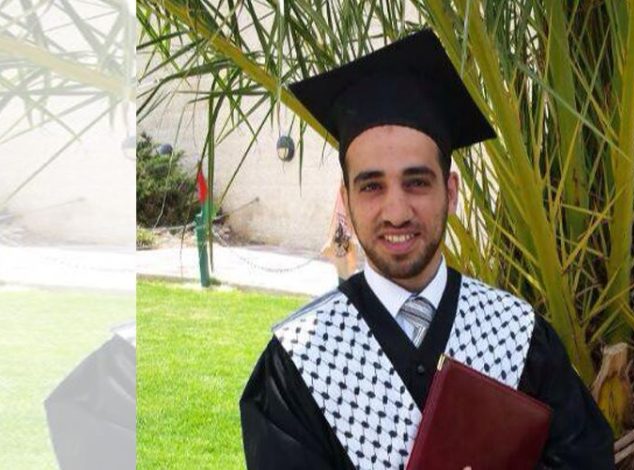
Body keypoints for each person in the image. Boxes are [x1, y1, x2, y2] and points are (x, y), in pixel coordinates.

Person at [240, 29, 614, 469]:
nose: (397, 212)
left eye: (416, 182)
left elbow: (585, 459)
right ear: (346, 200)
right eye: (372, 186)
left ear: (450, 192)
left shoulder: (516, 335)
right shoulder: (301, 360)